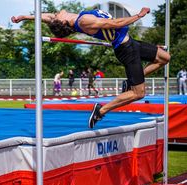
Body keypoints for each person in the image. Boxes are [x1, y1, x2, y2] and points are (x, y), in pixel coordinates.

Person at [11, 7, 170, 128]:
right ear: (63, 22)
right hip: (126, 49)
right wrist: (138, 16)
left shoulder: (70, 17)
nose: (55, 13)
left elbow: (46, 17)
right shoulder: (83, 21)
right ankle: (100, 111)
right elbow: (114, 23)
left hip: (131, 42)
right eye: (56, 17)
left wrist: (25, 17)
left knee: (164, 57)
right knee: (139, 93)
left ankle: (131, 81)